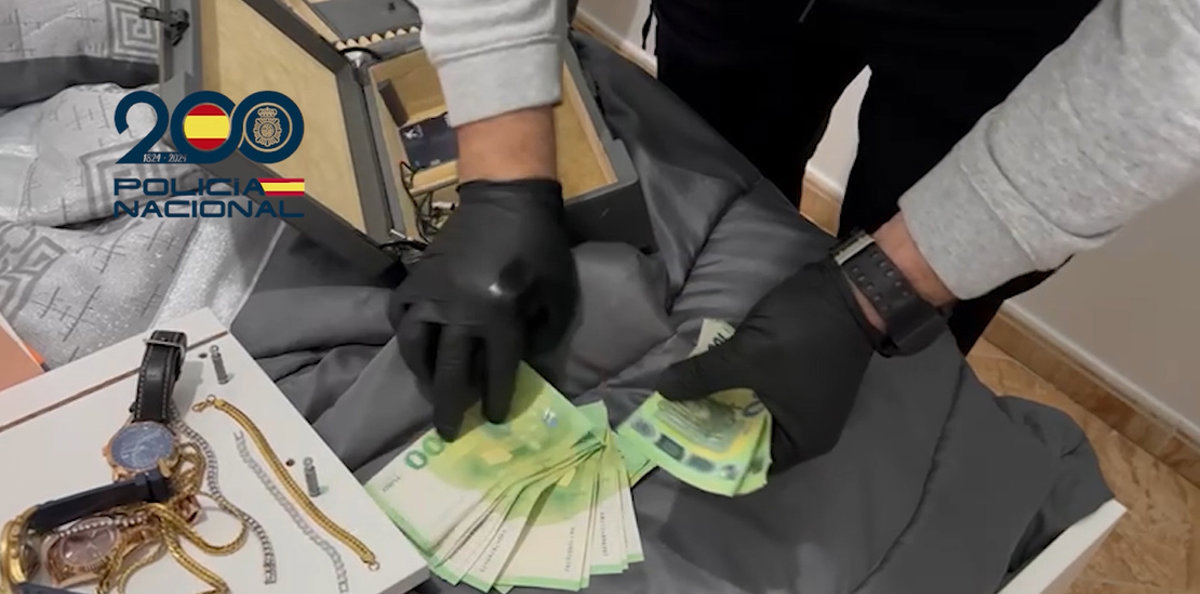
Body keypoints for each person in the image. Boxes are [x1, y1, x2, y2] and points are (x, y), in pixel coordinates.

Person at [389, 0, 1200, 464]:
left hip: (1018, 31)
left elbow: (1180, 53)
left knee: (886, 376)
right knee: (699, 196)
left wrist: (881, 294)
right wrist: (501, 174)